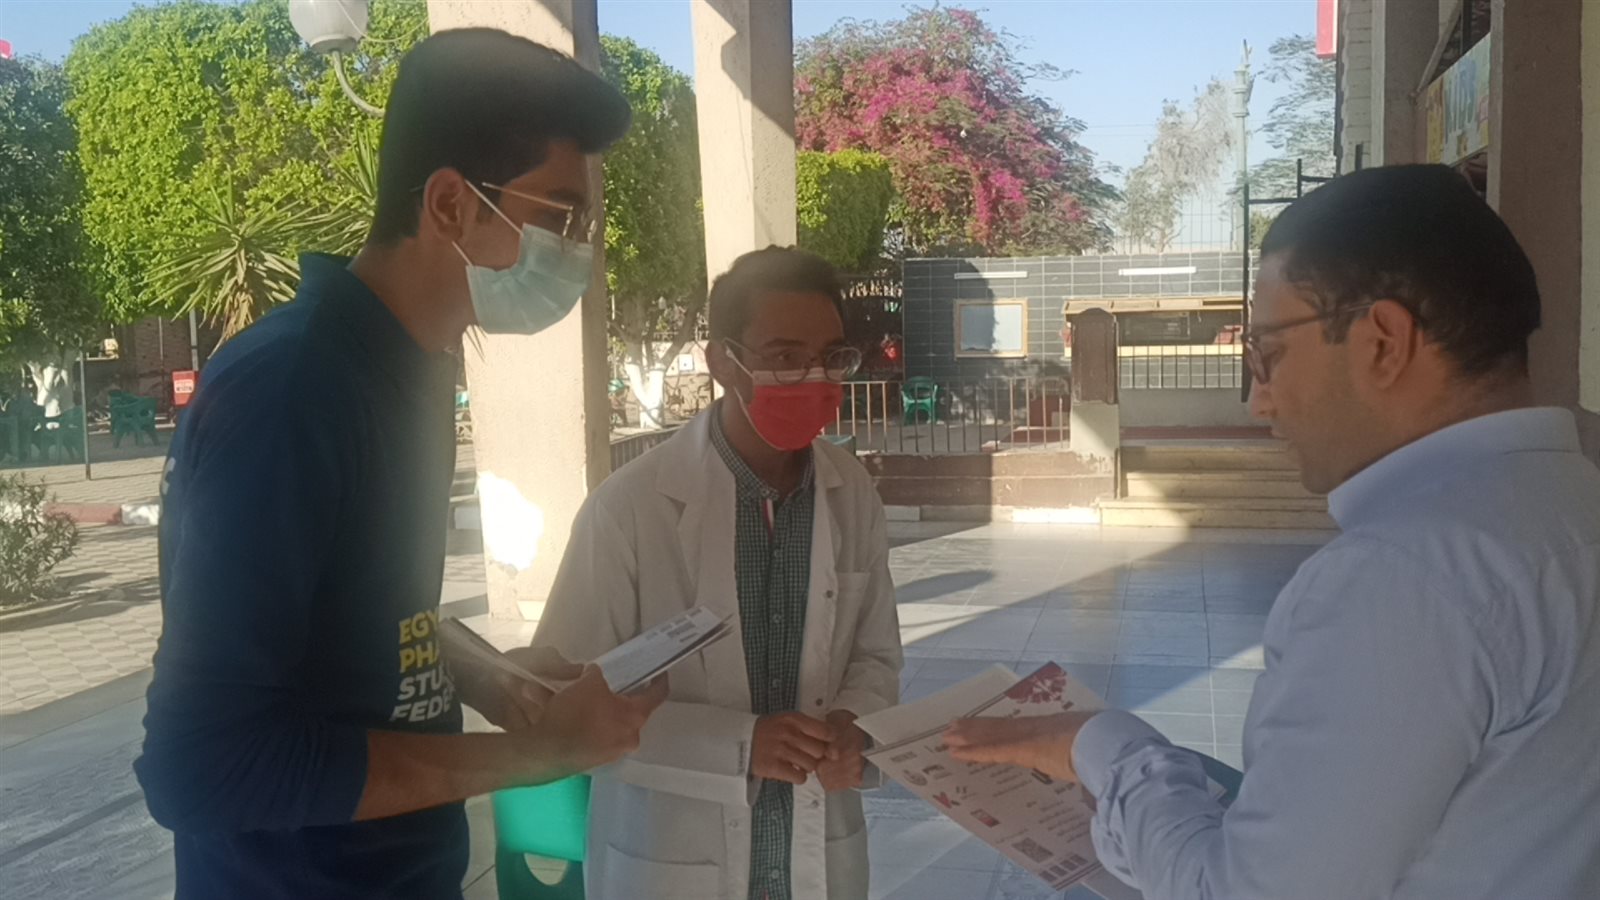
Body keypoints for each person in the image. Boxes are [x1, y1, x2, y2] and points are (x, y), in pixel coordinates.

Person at [942, 165, 1600, 899]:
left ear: (1383, 341)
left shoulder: (1400, 577)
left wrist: (1102, 748)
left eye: (1268, 355)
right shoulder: (1573, 504)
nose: (1259, 401)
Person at [136, 30, 666, 900]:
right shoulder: (293, 392)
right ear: (451, 204)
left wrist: (488, 675)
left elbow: (363, 615)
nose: (580, 248)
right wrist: (543, 754)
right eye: (560, 216)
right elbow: (201, 768)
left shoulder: (406, 369)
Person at [532, 247, 904, 900]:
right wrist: (738, 746)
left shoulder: (851, 493)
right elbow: (563, 705)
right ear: (721, 362)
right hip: (671, 859)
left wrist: (856, 724)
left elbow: (875, 655)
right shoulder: (630, 508)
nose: (814, 378)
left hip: (814, 852)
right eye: (785, 356)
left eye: (831, 357)